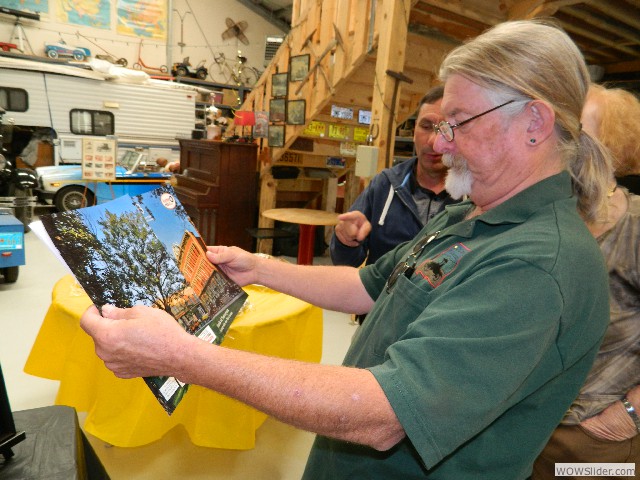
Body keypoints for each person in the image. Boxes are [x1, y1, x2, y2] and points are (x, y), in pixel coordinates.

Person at [80, 20, 613, 478]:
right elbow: (369, 284)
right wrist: (261, 268)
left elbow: (384, 414)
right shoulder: (471, 214)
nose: (439, 143)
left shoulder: (536, 265)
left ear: (535, 124)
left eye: (458, 123)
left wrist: (181, 356)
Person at [532, 84, 640, 479]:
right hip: (528, 425)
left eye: (577, 129)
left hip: (594, 437)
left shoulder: (634, 227)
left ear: (611, 144)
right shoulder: (548, 217)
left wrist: (630, 413)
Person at [330, 85, 459, 268]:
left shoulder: (474, 196)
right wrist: (346, 241)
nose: (433, 141)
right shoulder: (385, 185)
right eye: (426, 126)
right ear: (414, 131)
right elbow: (344, 263)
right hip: (380, 294)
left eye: (445, 129)